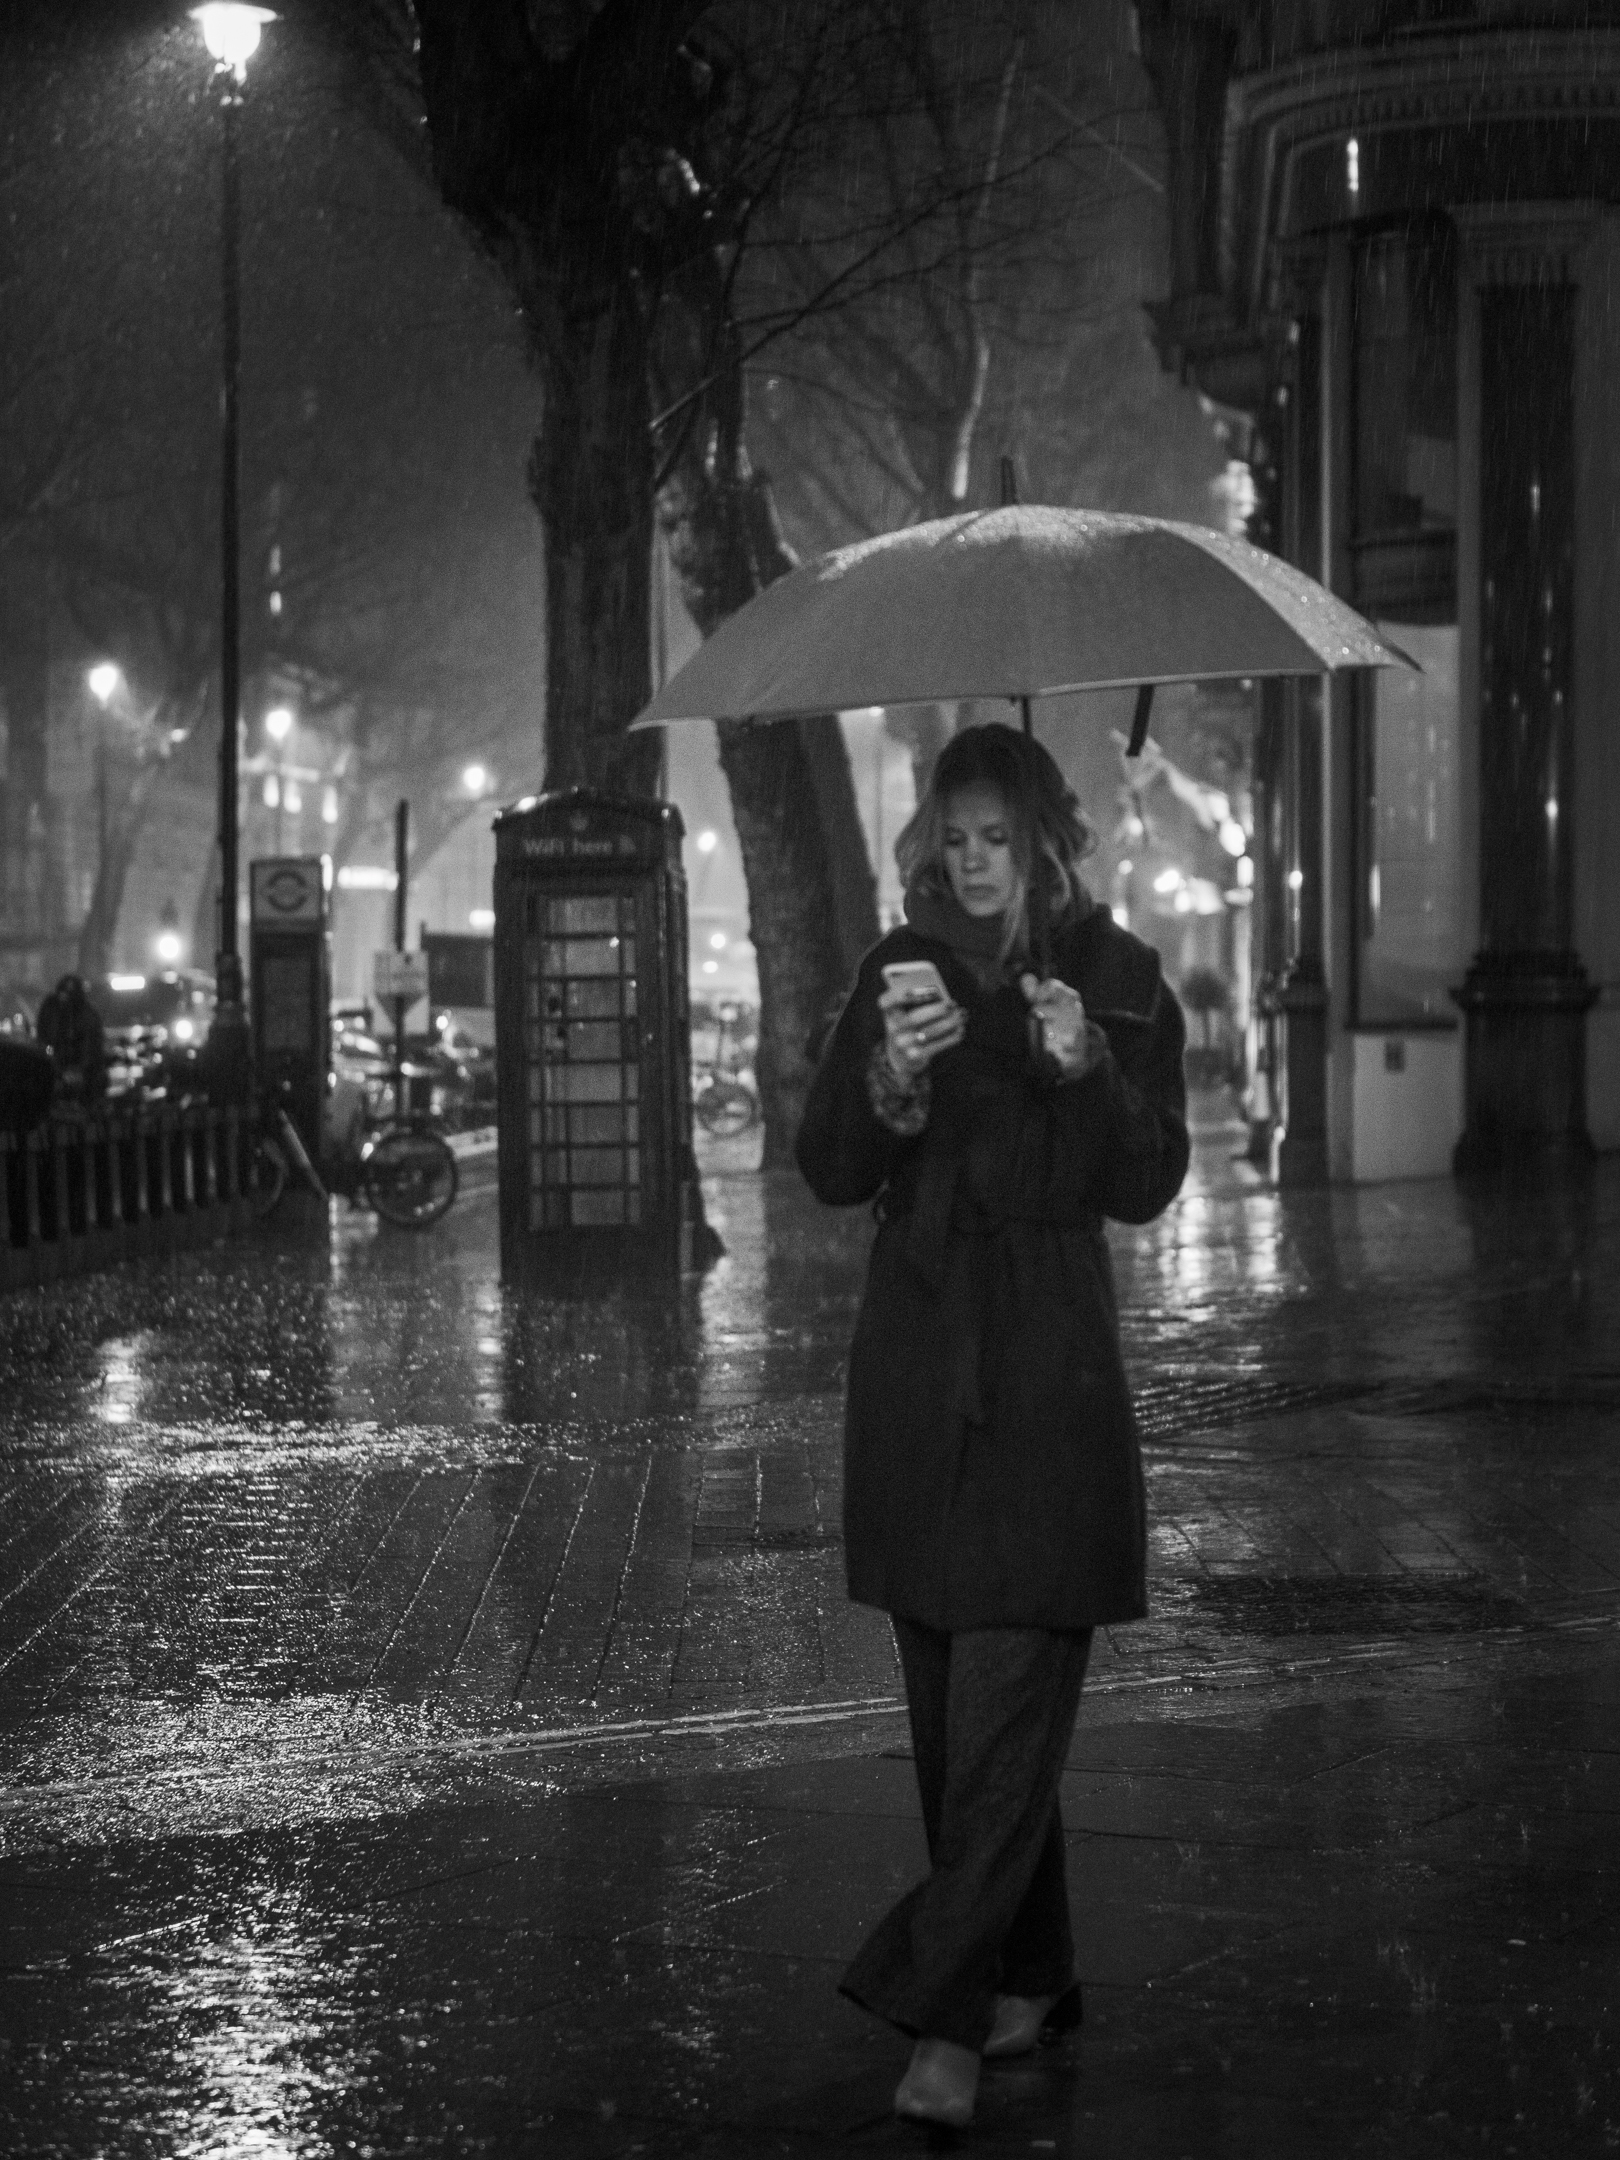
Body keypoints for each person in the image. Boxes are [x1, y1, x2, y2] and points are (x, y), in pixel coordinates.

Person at [795, 722, 1189, 2130]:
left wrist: (1090, 1070)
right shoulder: (897, 972)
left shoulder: (1120, 980)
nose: (972, 862)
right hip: (915, 1367)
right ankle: (1034, 1974)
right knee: (956, 1722)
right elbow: (828, 1165)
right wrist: (889, 1085)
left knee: (1009, 1695)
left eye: (997, 838)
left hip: (1048, 1374)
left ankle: (946, 2025)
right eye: (953, 837)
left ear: (1046, 842)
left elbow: (1147, 1181)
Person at [34, 974, 107, 1106]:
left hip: (83, 1073)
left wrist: (81, 1070)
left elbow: (93, 1046)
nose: (66, 1000)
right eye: (64, 995)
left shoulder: (88, 1014)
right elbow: (43, 1039)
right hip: (57, 1069)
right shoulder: (51, 1009)